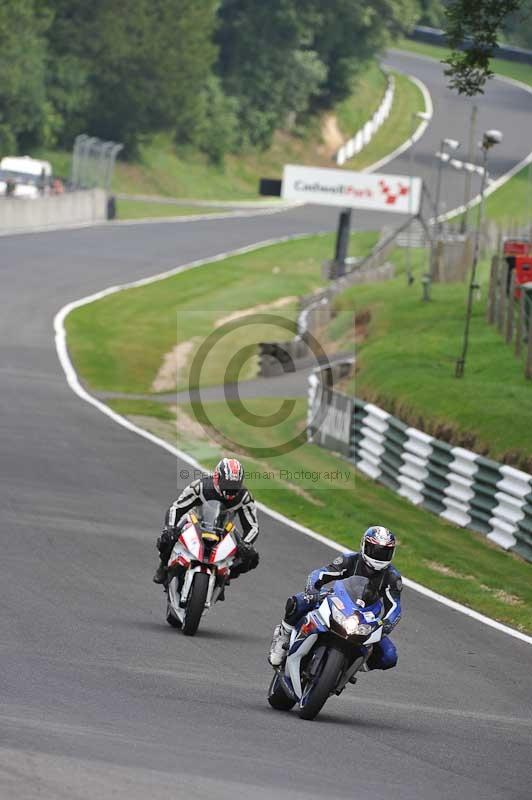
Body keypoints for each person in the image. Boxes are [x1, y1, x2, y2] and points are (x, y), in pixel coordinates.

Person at [269, 526, 402, 670]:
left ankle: (352, 666)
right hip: (339, 599)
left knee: (390, 656)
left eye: (385, 552)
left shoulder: (393, 577)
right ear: (364, 545)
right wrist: (312, 590)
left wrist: (386, 624)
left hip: (365, 616)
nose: (379, 556)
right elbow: (320, 574)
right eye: (375, 550)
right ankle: (283, 636)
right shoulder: (349, 559)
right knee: (299, 601)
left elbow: (395, 606)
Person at [153, 457, 259, 586]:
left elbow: (252, 526)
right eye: (227, 483)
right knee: (166, 538)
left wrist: (246, 544)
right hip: (194, 522)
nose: (231, 489)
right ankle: (163, 565)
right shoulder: (200, 487)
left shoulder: (244, 497)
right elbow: (177, 508)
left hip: (224, 529)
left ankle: (227, 577)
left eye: (235, 485)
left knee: (251, 557)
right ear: (216, 478)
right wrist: (170, 527)